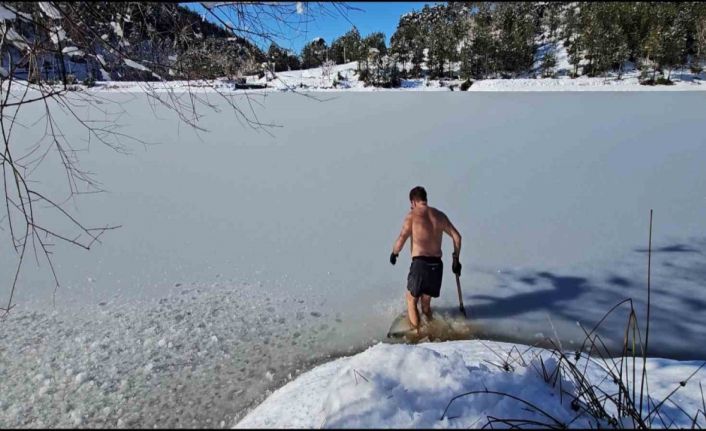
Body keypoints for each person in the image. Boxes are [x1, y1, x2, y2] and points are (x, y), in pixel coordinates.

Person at [390, 186, 462, 335]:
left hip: (420, 264)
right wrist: (456, 259)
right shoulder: (440, 215)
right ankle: (430, 329)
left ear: (413, 201)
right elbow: (457, 237)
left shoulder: (412, 216)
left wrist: (394, 253)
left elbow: (401, 238)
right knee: (426, 304)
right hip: (436, 266)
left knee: (411, 299)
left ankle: (417, 335)